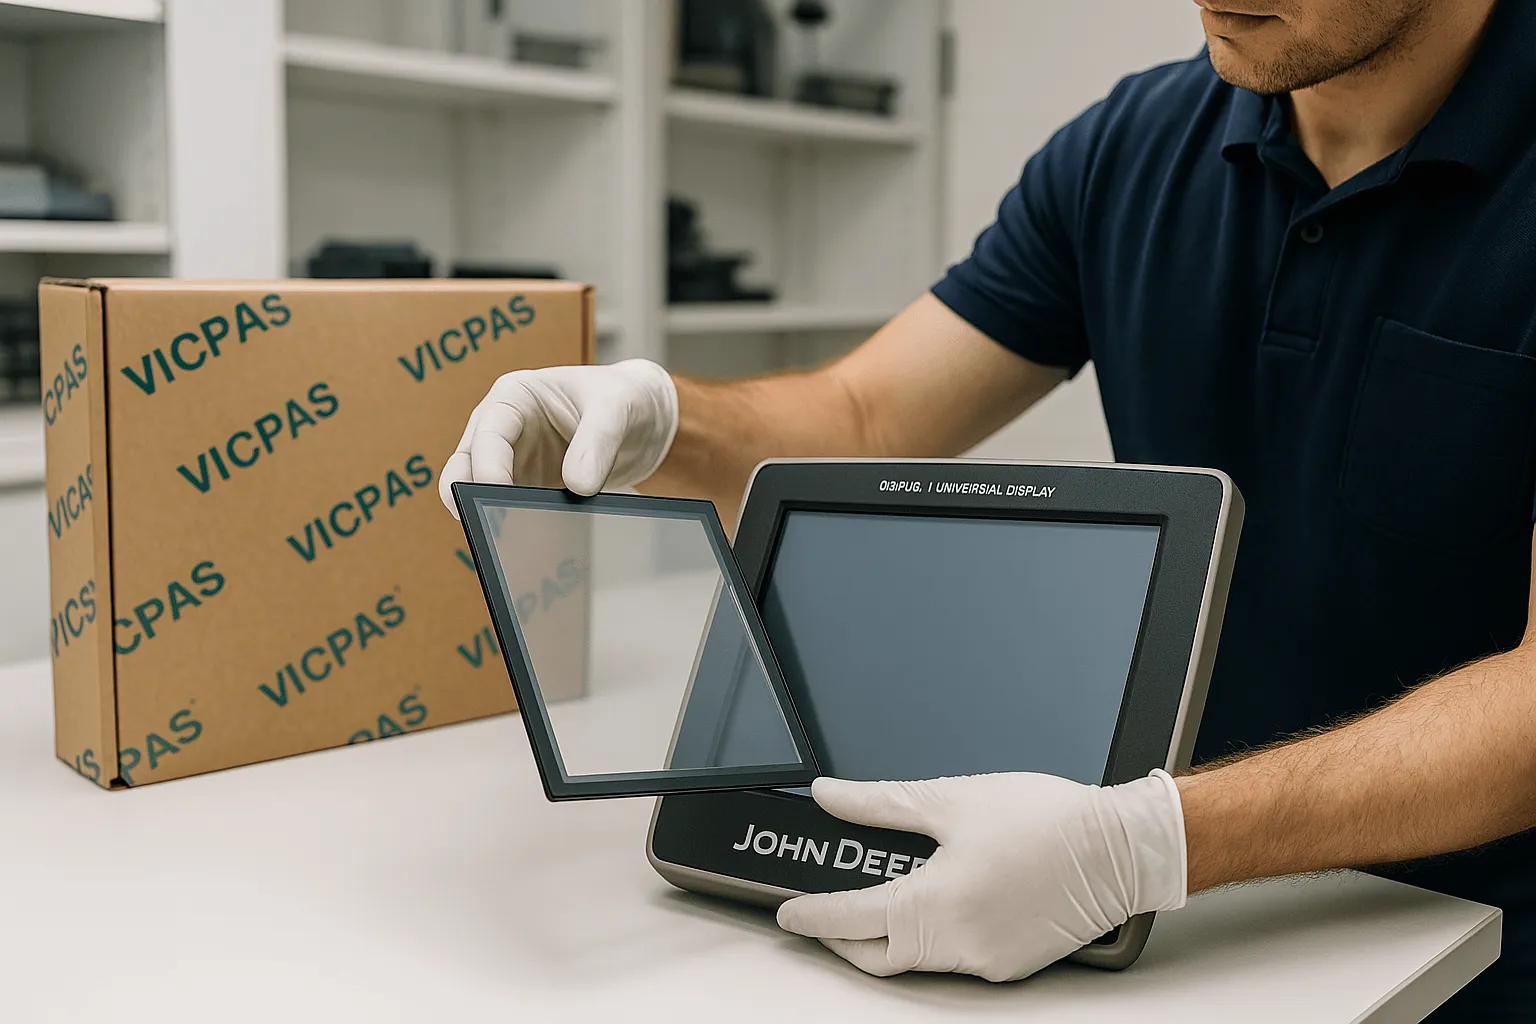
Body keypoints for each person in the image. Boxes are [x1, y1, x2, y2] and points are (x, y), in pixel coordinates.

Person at [440, 0, 1536, 1017]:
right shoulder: (1129, 146)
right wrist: (662, 421)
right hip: (1176, 911)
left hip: (1473, 934)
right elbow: (868, 414)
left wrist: (1142, 842)